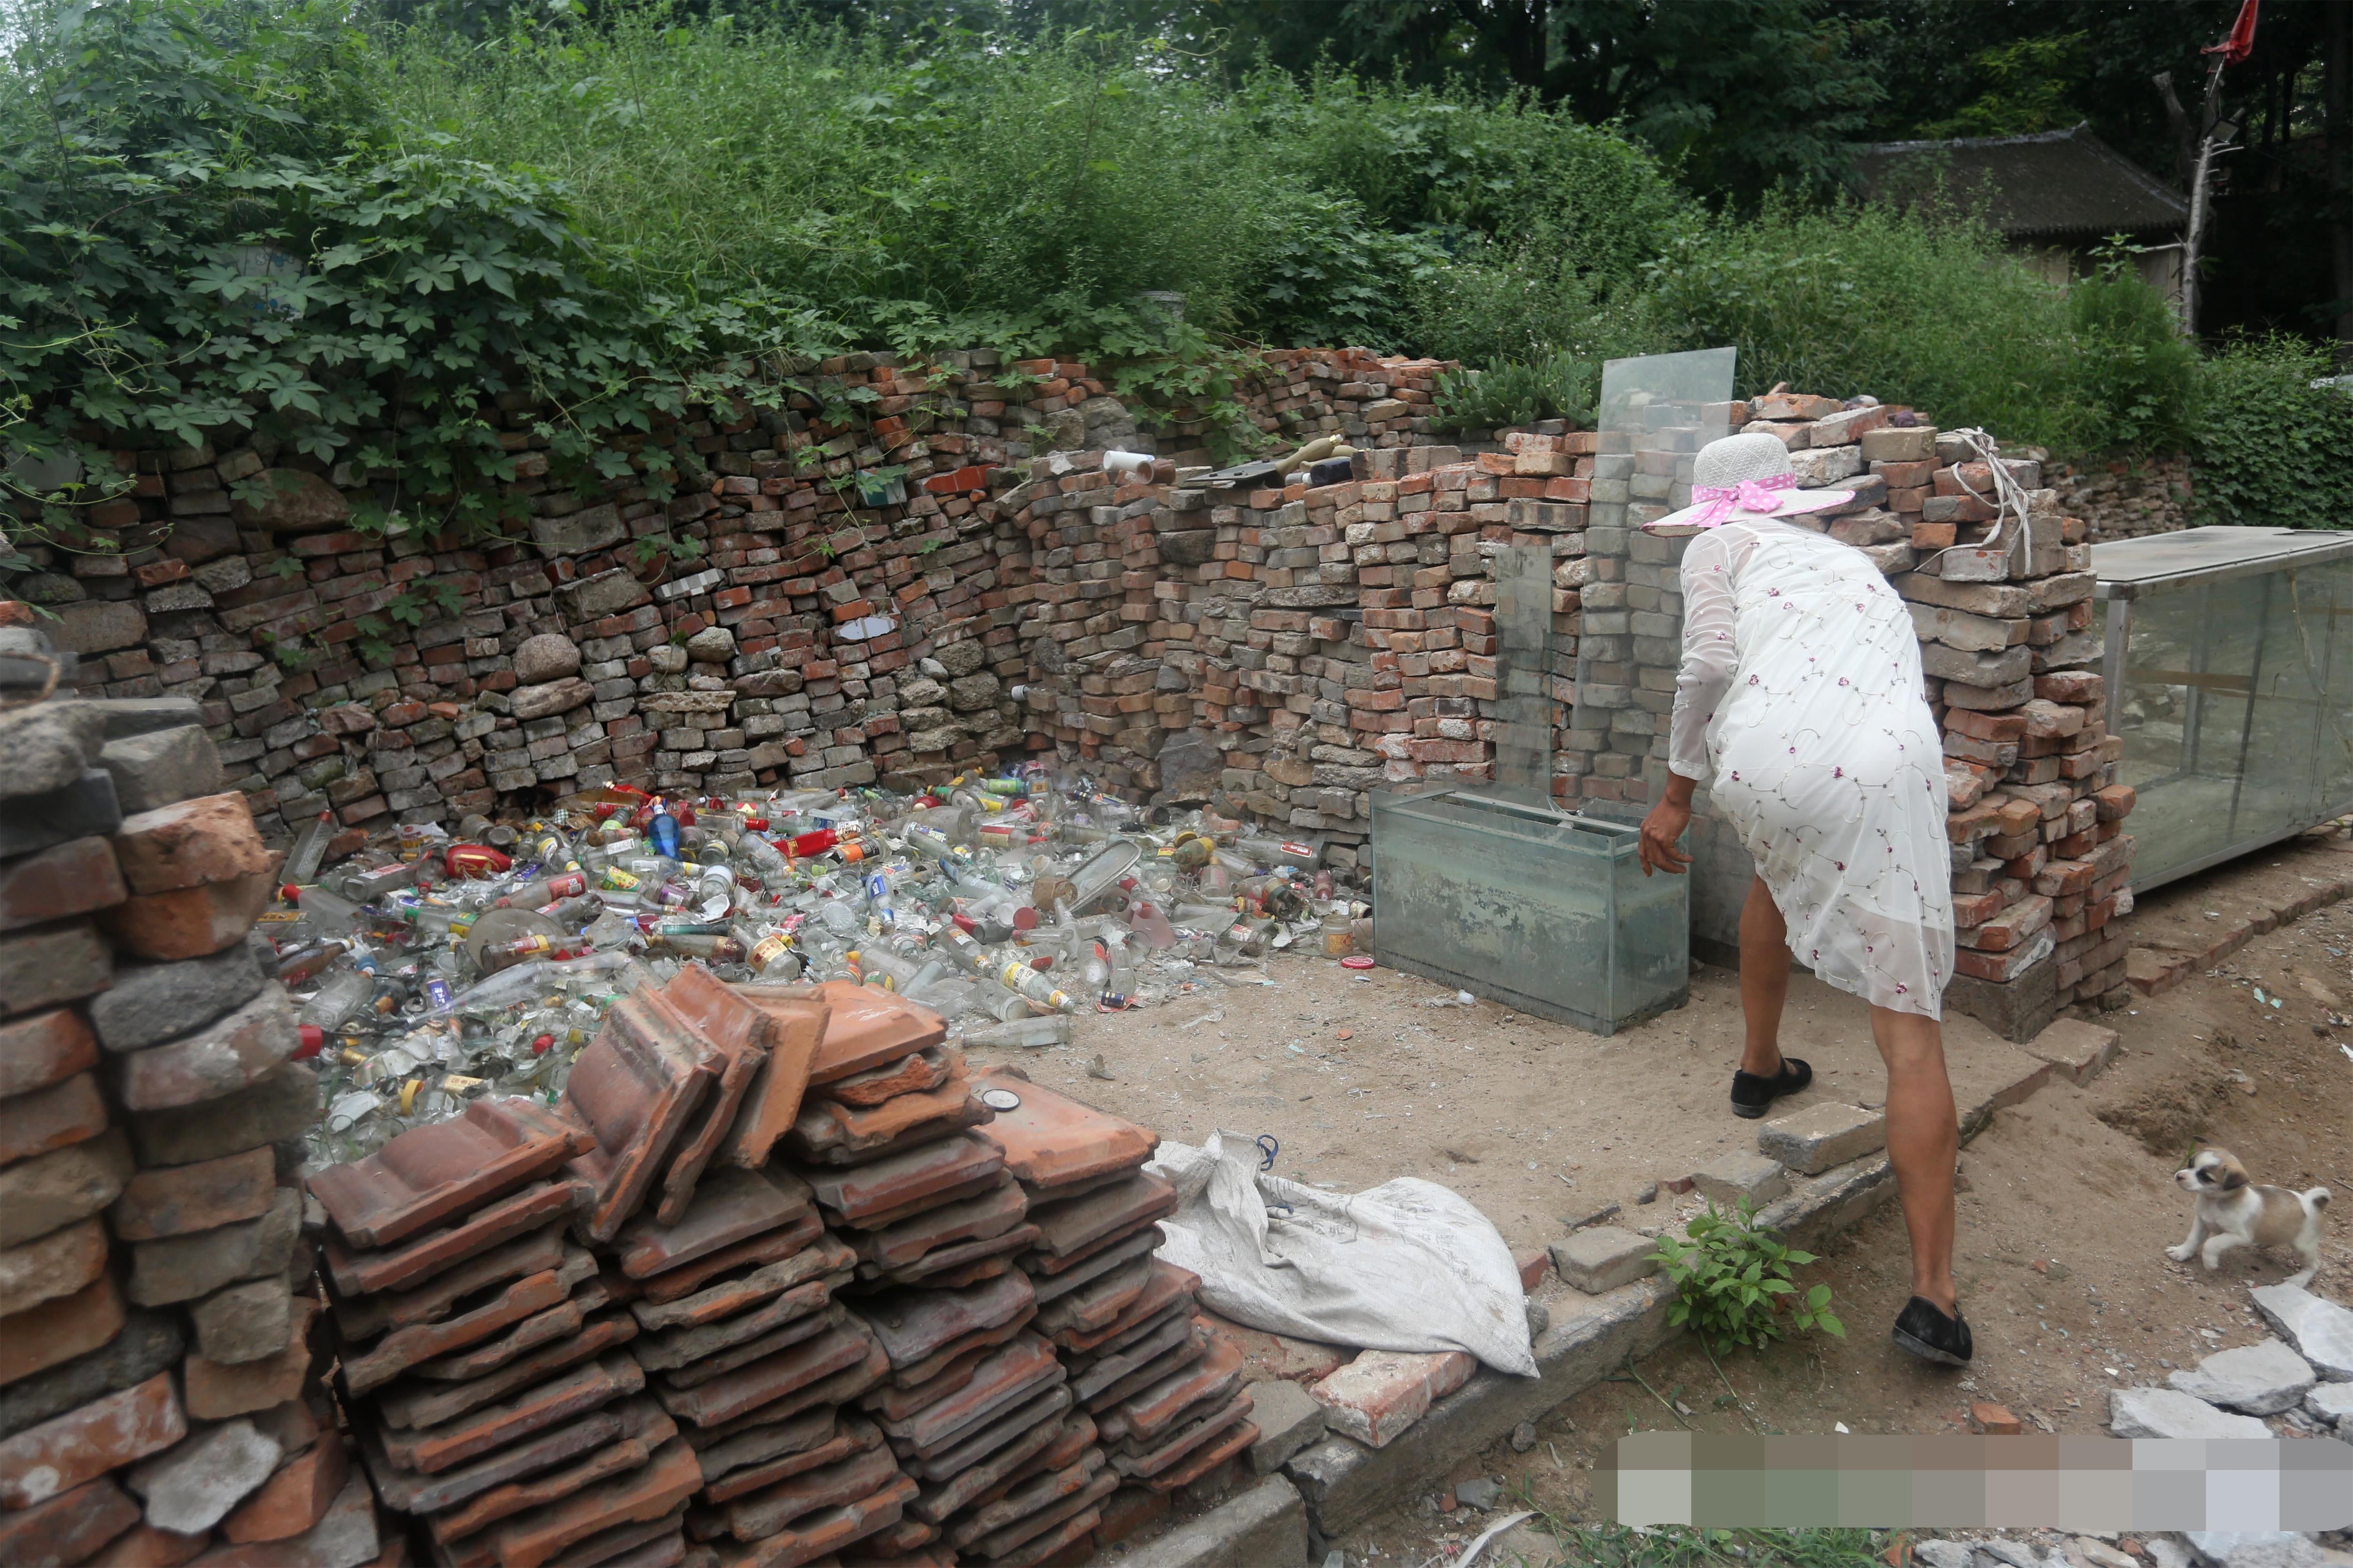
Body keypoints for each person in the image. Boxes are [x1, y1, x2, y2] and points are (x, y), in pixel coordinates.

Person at [1634, 429, 1970, 1368]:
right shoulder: (1844, 565)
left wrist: (1676, 792)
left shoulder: (1717, 547)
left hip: (1762, 763)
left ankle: (1757, 1066)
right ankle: (1933, 1299)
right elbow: (1753, 667)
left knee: (1772, 877)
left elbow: (1706, 665)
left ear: (1712, 508)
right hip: (1879, 760)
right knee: (1908, 1031)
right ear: (1788, 502)